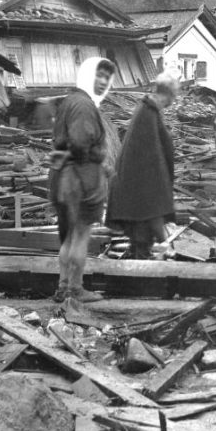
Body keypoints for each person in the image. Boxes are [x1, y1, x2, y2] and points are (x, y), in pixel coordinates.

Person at [49, 57, 116, 302]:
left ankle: (62, 286)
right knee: (80, 235)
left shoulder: (69, 101)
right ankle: (75, 289)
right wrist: (98, 158)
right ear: (87, 75)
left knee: (67, 236)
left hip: (64, 177)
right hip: (80, 179)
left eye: (107, 78)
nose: (102, 82)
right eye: (99, 75)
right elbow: (79, 142)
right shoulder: (84, 106)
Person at [106, 73, 178, 259]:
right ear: (169, 94)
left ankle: (141, 257)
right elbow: (150, 159)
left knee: (142, 233)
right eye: (175, 95)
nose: (174, 99)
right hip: (139, 189)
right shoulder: (148, 112)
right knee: (141, 235)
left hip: (139, 190)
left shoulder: (149, 110)